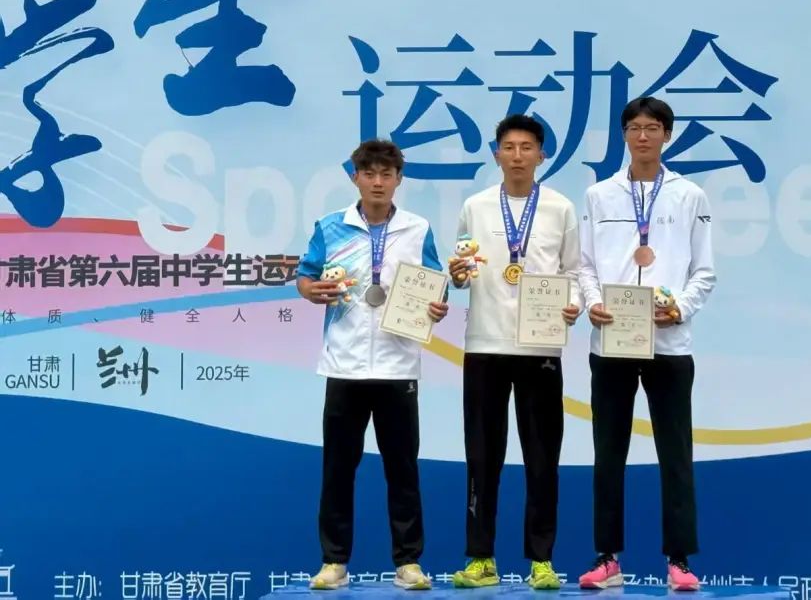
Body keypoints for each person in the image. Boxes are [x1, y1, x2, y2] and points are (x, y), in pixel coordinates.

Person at [576, 97, 716, 592]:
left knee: (675, 453)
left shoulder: (690, 196)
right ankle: (607, 558)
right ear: (623, 135)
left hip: (670, 343)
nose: (642, 136)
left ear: (666, 135)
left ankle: (679, 560)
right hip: (612, 340)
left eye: (652, 128)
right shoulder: (599, 195)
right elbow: (584, 265)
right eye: (634, 128)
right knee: (607, 452)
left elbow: (704, 271)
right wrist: (593, 303)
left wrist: (681, 308)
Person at [297, 139, 448, 591]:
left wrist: (437, 306)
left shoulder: (417, 229)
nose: (378, 182)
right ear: (355, 178)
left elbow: (437, 283)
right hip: (344, 365)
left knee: (402, 470)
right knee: (337, 470)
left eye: (386, 174)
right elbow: (305, 275)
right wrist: (310, 291)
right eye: (369, 174)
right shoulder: (330, 226)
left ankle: (408, 563)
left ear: (399, 179)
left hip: (398, 366)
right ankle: (333, 562)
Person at [447, 114, 582, 591]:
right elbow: (461, 268)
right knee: (482, 456)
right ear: (496, 153)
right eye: (509, 147)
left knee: (542, 457)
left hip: (540, 345)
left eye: (527, 147)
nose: (518, 156)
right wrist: (457, 276)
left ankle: (541, 560)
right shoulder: (476, 206)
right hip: (485, 343)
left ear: (542, 155)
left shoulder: (561, 208)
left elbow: (574, 273)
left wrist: (573, 304)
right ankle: (481, 557)